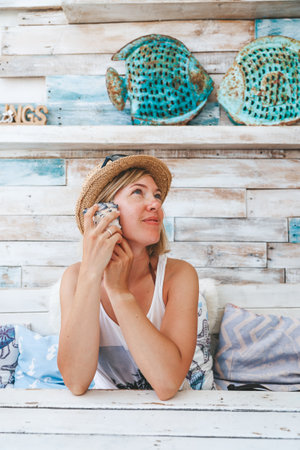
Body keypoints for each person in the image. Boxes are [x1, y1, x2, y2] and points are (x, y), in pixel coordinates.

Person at [57, 154, 199, 400]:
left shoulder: (179, 276)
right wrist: (92, 273)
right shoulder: (74, 278)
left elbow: (167, 385)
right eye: (138, 192)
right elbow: (76, 382)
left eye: (156, 195)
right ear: (104, 212)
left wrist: (118, 291)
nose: (155, 204)